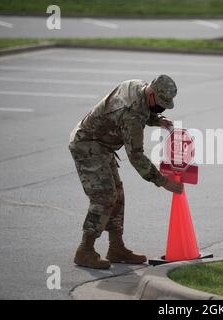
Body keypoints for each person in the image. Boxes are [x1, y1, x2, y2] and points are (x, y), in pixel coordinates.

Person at [68, 74, 183, 269]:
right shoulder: (132, 115)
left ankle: (116, 248)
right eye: (161, 102)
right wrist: (163, 181)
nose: (162, 106)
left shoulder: (138, 87)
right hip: (87, 145)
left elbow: (142, 110)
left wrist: (157, 120)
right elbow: (136, 155)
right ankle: (85, 250)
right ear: (152, 93)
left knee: (118, 195)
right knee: (104, 197)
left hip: (102, 145)